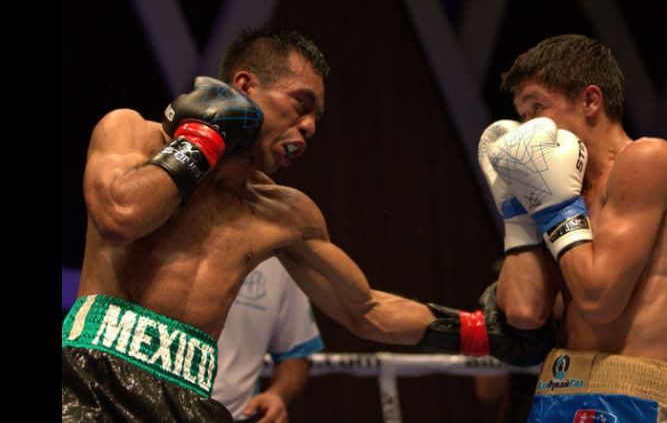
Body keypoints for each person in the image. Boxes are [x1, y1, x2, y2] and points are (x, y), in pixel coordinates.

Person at [61, 26, 555, 421]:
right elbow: (120, 216)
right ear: (244, 88)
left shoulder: (285, 212)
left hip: (189, 399)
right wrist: (203, 140)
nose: (310, 128)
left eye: (317, 117)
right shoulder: (132, 133)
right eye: (300, 105)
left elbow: (366, 309)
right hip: (91, 384)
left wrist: (479, 332)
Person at [477, 34, 667, 421]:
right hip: (553, 392)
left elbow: (600, 302)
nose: (526, 129)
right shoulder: (560, 190)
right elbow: (523, 310)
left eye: (537, 108)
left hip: (628, 399)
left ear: (591, 101)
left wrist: (555, 209)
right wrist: (517, 211)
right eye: (522, 114)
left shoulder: (648, 160)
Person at [213, 257, 324, 422]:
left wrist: (278, 394)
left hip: (240, 415)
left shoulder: (281, 262)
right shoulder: (174, 241)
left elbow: (294, 353)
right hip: (166, 413)